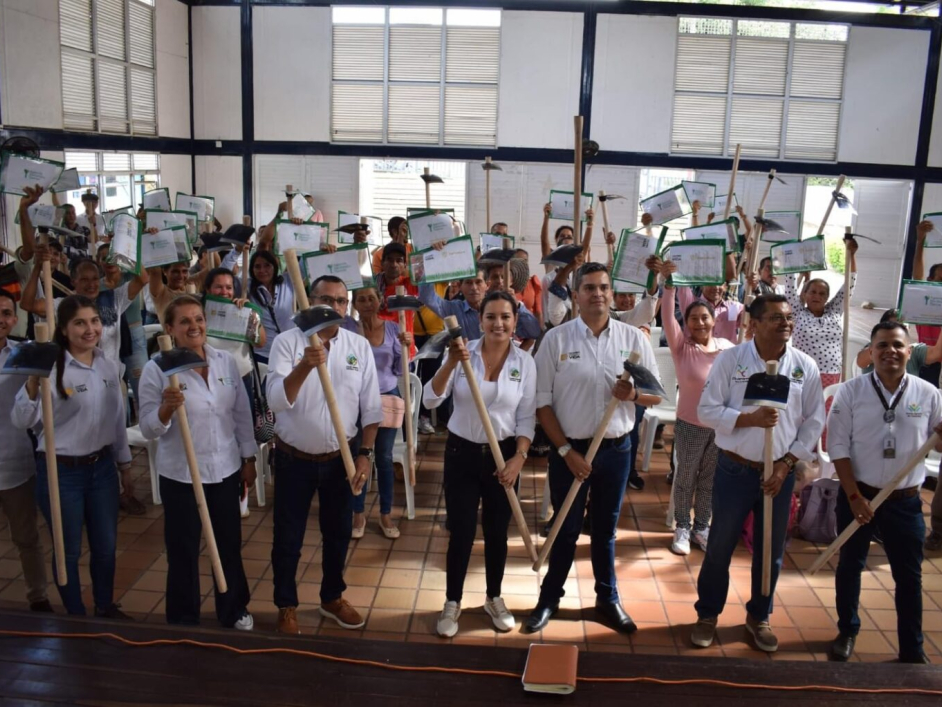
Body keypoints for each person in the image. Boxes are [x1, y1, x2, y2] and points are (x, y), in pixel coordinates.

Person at [524, 263, 662, 634]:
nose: (597, 294)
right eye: (589, 288)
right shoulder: (557, 340)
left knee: (605, 530)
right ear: (576, 294)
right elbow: (541, 402)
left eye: (603, 287)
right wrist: (567, 451)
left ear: (611, 292)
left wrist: (632, 394)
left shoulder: (634, 340)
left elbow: (657, 395)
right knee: (565, 529)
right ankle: (550, 598)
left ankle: (608, 598)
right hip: (569, 450)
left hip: (616, 450)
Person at [693, 294, 825, 653]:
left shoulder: (804, 367)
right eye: (775, 318)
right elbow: (706, 410)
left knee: (770, 552)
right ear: (753, 323)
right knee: (720, 545)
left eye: (787, 318)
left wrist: (786, 465)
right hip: (735, 469)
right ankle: (707, 615)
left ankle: (759, 617)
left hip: (777, 475)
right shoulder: (731, 360)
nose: (785, 324)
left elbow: (814, 422)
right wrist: (747, 419)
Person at [266, 275, 383, 634]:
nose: (333, 307)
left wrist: (364, 453)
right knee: (288, 538)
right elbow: (275, 401)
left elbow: (372, 407)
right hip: (292, 459)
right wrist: (304, 365)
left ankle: (332, 597)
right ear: (308, 301)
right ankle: (286, 604)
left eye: (340, 301)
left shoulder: (357, 345)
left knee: (338, 533)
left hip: (340, 459)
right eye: (325, 299)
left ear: (347, 308)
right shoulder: (287, 343)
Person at [826, 321, 942, 664]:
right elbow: (838, 447)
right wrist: (853, 497)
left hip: (905, 503)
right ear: (870, 353)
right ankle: (847, 629)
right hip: (859, 497)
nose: (889, 351)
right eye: (882, 346)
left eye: (897, 345)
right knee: (850, 566)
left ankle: (912, 648)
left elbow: (938, 446)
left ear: (909, 351)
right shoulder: (850, 392)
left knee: (909, 576)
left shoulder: (928, 394)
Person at [138, 295, 256, 629]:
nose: (194, 326)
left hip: (225, 469)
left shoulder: (224, 361)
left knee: (228, 544)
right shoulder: (156, 369)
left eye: (199, 318)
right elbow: (148, 427)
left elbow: (241, 414)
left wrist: (248, 457)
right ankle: (183, 616)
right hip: (181, 476)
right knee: (183, 549)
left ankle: (234, 608)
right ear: (170, 328)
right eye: (185, 321)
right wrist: (164, 409)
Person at [11, 295, 132, 618]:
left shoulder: (107, 365)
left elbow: (116, 419)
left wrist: (125, 464)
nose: (89, 329)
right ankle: (76, 615)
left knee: (105, 547)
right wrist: (34, 383)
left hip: (102, 469)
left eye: (94, 321)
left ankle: (105, 606)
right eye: (79, 323)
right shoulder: (49, 368)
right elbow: (21, 420)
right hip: (61, 472)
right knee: (68, 549)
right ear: (64, 329)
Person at [424, 291, 535, 637]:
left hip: (503, 456)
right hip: (461, 452)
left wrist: (519, 458)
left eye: (505, 316)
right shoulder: (462, 351)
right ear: (481, 319)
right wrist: (451, 363)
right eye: (491, 316)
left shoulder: (524, 363)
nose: (498, 323)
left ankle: (493, 597)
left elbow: (527, 417)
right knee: (461, 532)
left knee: (497, 532)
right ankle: (452, 601)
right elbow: (430, 397)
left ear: (515, 320)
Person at [660, 260, 735, 554]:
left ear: (713, 319)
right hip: (690, 423)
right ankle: (682, 526)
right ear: (687, 323)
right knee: (685, 476)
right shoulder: (682, 347)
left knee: (709, 480)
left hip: (719, 425)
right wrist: (669, 283)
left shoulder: (728, 348)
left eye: (705, 317)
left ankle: (701, 526)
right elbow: (668, 314)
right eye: (694, 319)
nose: (700, 323)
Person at [344, 286, 410, 540]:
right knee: (357, 457)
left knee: (383, 458)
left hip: (387, 396)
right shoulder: (348, 328)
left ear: (380, 301)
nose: (367, 303)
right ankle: (358, 512)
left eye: (372, 298)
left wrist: (405, 350)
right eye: (361, 299)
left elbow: (400, 370)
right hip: (357, 400)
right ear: (355, 304)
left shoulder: (393, 328)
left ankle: (385, 514)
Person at [0, 291, 52, 612]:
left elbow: (33, 414)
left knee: (26, 538)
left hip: (15, 464)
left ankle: (38, 597)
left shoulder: (22, 356)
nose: (1, 320)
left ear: (15, 318)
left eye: (6, 313)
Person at [782, 237, 858, 388]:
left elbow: (850, 283)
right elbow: (789, 285)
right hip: (802, 371)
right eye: (813, 292)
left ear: (827, 297)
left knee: (826, 410)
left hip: (831, 373)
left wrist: (852, 254)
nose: (817, 296)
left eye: (822, 293)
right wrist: (792, 252)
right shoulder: (797, 312)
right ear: (804, 294)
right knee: (801, 410)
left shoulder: (834, 311)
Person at [246, 250, 295, 364]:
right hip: (263, 354)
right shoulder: (246, 287)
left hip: (290, 350)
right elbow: (222, 276)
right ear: (252, 270)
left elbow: (308, 264)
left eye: (267, 265)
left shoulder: (288, 282)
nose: (262, 270)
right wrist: (236, 252)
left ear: (275, 266)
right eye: (257, 267)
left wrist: (322, 249)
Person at [912, 219, 942, 387]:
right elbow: (917, 277)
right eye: (941, 279)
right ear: (930, 280)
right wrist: (920, 240)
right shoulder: (923, 301)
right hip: (927, 360)